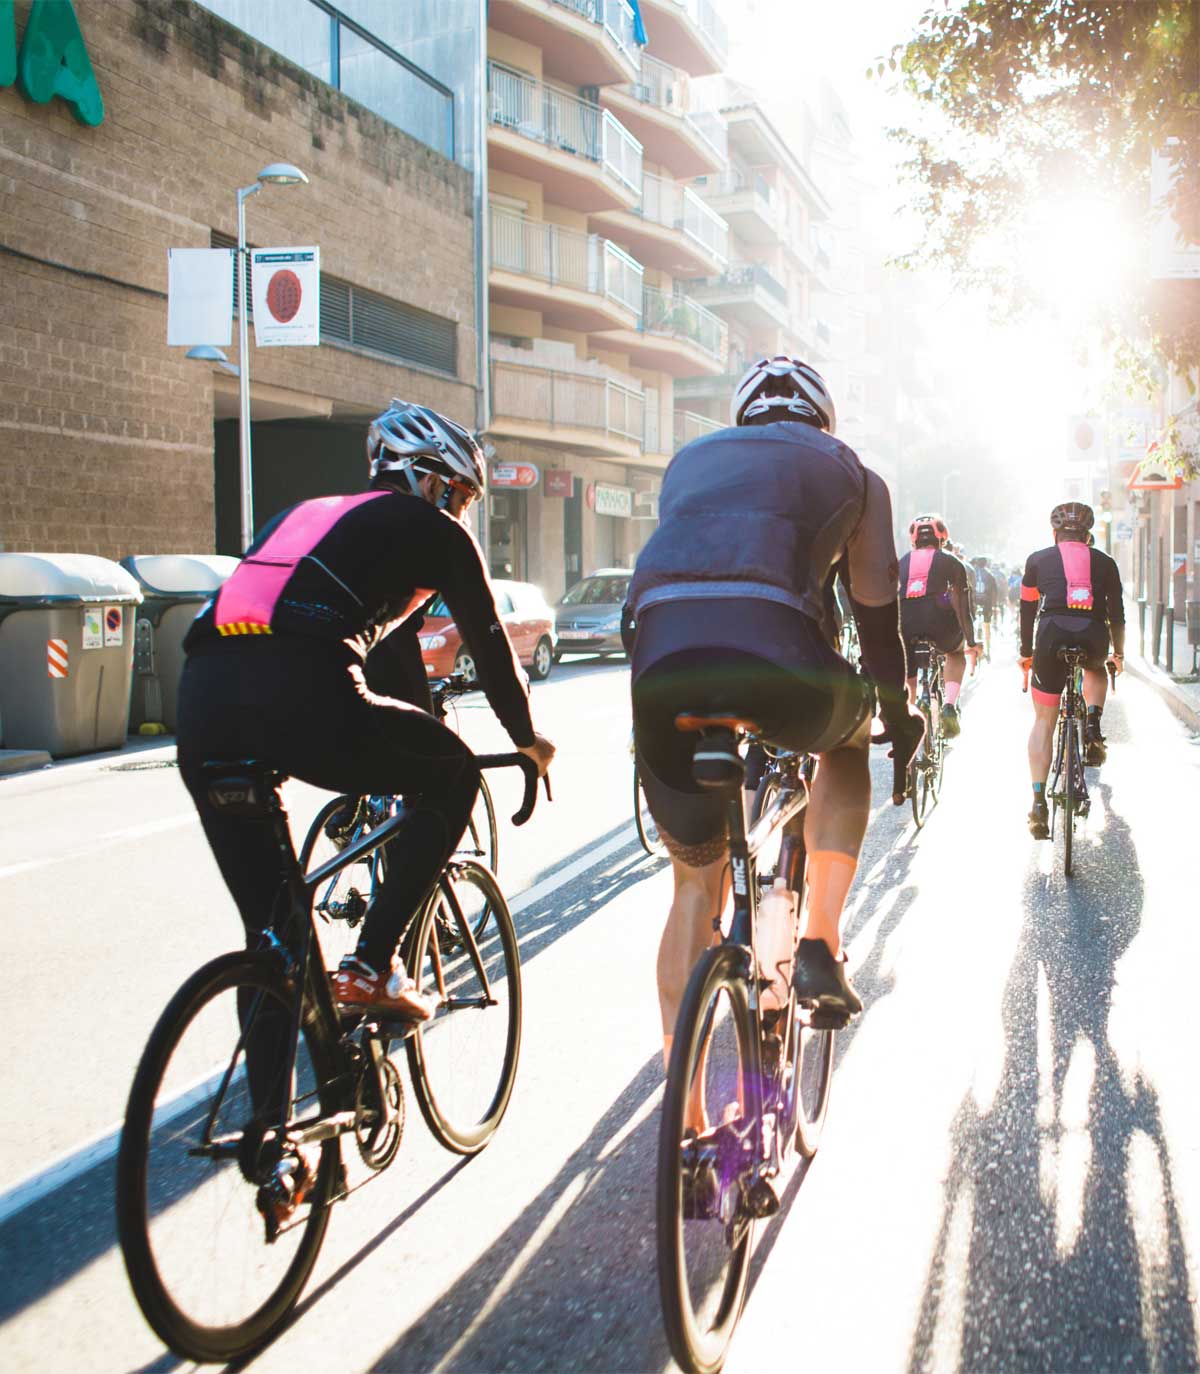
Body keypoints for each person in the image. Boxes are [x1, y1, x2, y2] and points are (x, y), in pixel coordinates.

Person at [177, 400, 556, 1017]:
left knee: (278, 940)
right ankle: (372, 966)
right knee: (455, 774)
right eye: (461, 496)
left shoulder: (308, 515)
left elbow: (389, 657)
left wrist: (410, 734)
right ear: (430, 479)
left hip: (201, 698)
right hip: (301, 684)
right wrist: (527, 737)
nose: (462, 513)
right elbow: (488, 643)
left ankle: (272, 1112)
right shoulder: (432, 528)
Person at [626, 356, 925, 1073]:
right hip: (778, 655)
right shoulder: (851, 470)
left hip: (661, 664)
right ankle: (820, 941)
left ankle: (687, 1120)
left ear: (742, 416)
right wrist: (899, 716)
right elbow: (875, 615)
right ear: (823, 418)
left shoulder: (689, 461)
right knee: (847, 743)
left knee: (692, 886)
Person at [1018, 501, 1124, 837]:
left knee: (1043, 722)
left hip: (1049, 635)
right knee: (1096, 668)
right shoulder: (1106, 563)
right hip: (1092, 634)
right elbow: (1117, 614)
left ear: (1054, 534)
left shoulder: (1037, 560)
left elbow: (1026, 609)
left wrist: (1026, 653)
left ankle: (1037, 802)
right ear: (1088, 535)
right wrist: (1117, 653)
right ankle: (1092, 724)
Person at [897, 514, 981, 738]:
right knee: (955, 653)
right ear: (942, 538)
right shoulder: (952, 562)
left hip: (905, 624)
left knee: (908, 672)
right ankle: (949, 706)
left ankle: (910, 715)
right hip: (941, 625)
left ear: (914, 540)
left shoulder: (901, 562)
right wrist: (971, 642)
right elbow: (962, 607)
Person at [970, 554, 1000, 659]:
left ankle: (972, 645)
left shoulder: (971, 573)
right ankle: (988, 650)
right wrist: (994, 605)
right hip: (986, 602)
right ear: (986, 564)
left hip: (973, 602)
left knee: (971, 623)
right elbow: (995, 592)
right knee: (987, 626)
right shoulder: (989, 575)